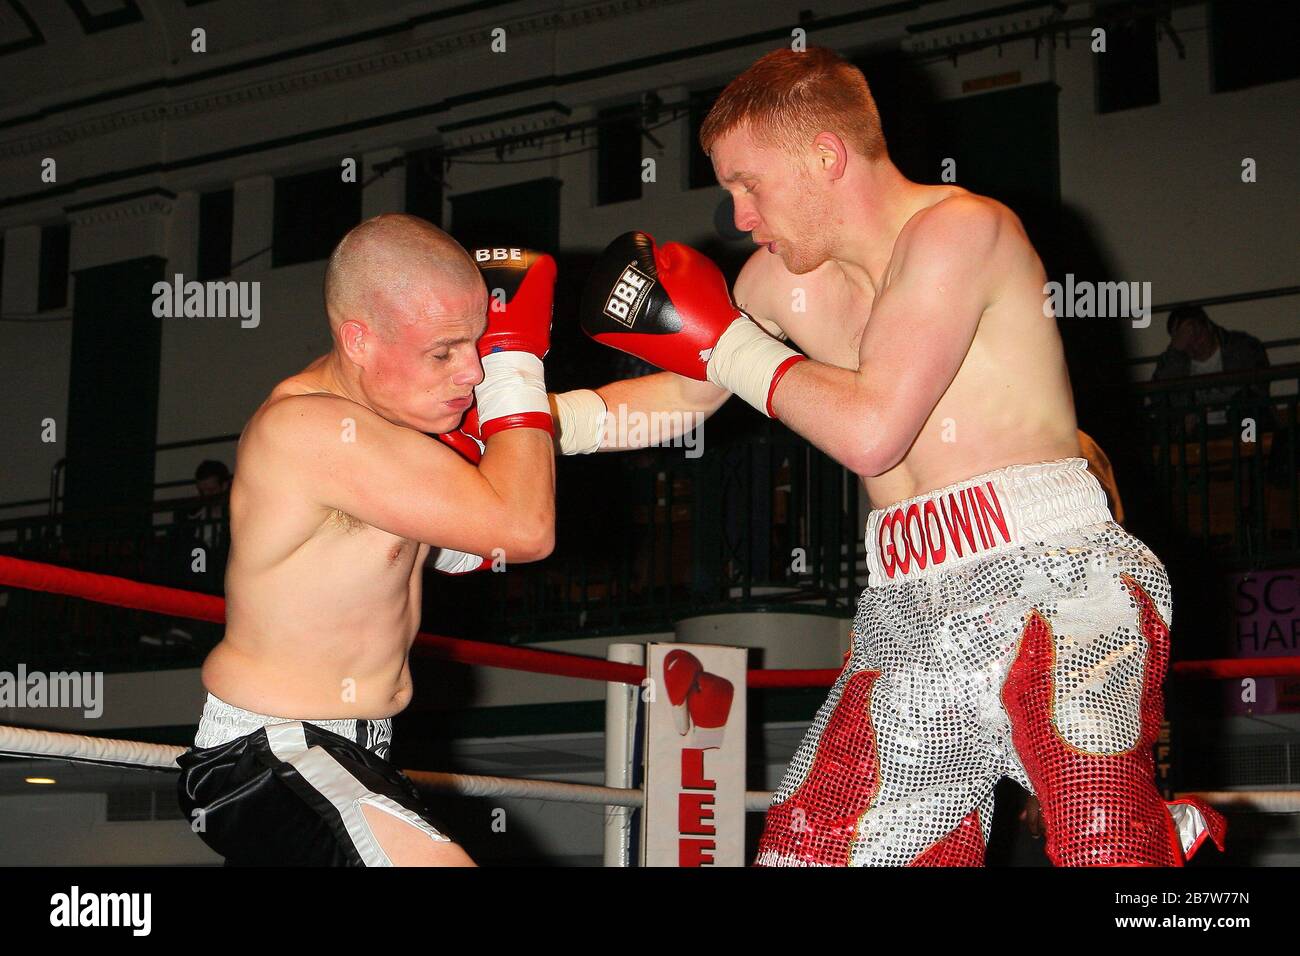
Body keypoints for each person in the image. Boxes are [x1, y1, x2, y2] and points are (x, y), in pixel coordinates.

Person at [563, 47, 1224, 866]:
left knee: (1101, 843)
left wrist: (728, 344)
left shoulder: (963, 230)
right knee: (813, 854)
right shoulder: (778, 281)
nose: (738, 217)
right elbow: (685, 396)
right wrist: (533, 422)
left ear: (826, 157)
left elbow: (875, 428)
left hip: (1053, 580)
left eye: (749, 184)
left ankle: (1154, 844)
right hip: (905, 611)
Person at [176, 215, 557, 866]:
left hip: (357, 751)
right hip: (273, 754)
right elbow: (524, 529)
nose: (472, 370)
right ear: (359, 339)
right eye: (444, 351)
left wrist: (721, 356)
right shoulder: (310, 429)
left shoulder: (392, 430)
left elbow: (592, 425)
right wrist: (516, 364)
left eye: (480, 343)